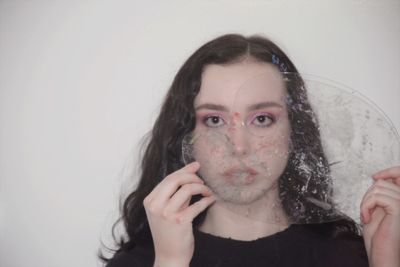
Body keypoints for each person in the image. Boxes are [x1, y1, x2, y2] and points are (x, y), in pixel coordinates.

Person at [101, 34, 400, 267]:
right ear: (186, 135)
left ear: (294, 131)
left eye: (262, 119)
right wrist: (170, 262)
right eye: (214, 120)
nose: (239, 147)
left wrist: (385, 260)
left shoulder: (351, 257)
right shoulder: (144, 262)